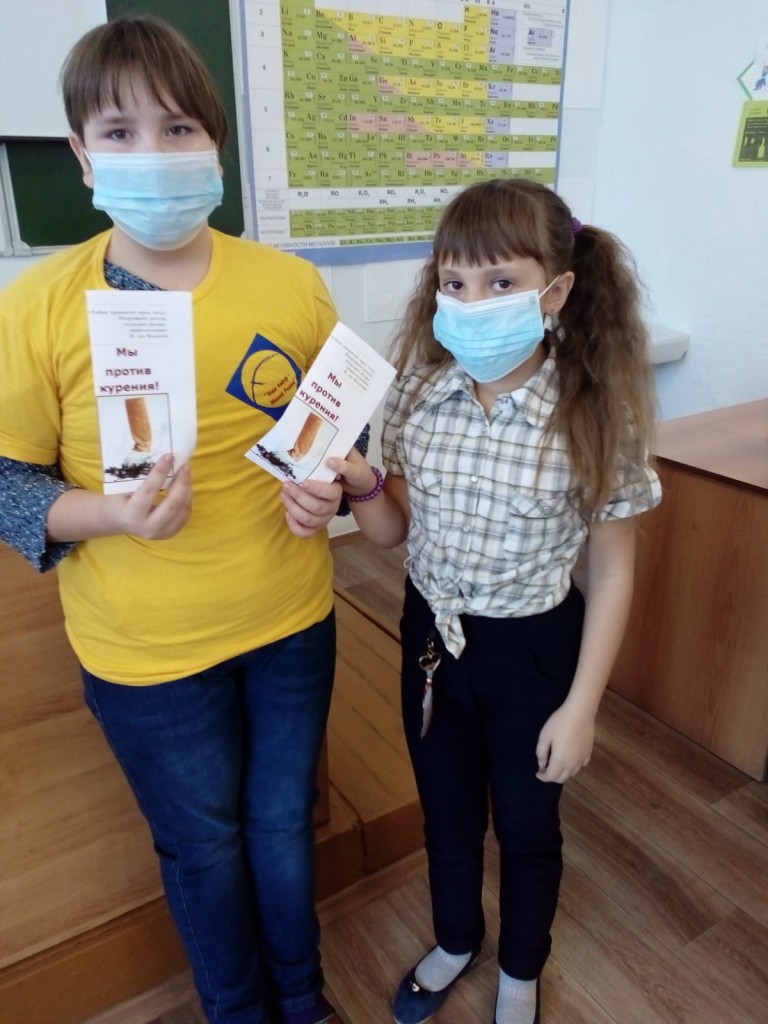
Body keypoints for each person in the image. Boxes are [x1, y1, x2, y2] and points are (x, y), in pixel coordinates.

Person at [0, 15, 348, 1024]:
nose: (153, 152)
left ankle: (304, 1001)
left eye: (179, 127)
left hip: (291, 622)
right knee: (204, 845)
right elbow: (9, 481)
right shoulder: (41, 304)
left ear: (216, 145)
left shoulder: (289, 283)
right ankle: (238, 1012)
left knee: (282, 827)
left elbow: (337, 434)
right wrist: (111, 514)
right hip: (145, 656)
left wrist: (330, 488)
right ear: (81, 156)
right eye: (120, 132)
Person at [328, 178, 662, 1024]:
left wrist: (582, 709)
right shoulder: (419, 393)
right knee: (446, 815)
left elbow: (613, 572)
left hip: (535, 654)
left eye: (501, 281)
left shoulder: (596, 416)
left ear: (556, 290)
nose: (472, 302)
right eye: (454, 282)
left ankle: (520, 970)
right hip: (431, 641)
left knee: (525, 826)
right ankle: (455, 939)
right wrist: (361, 482)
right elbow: (390, 533)